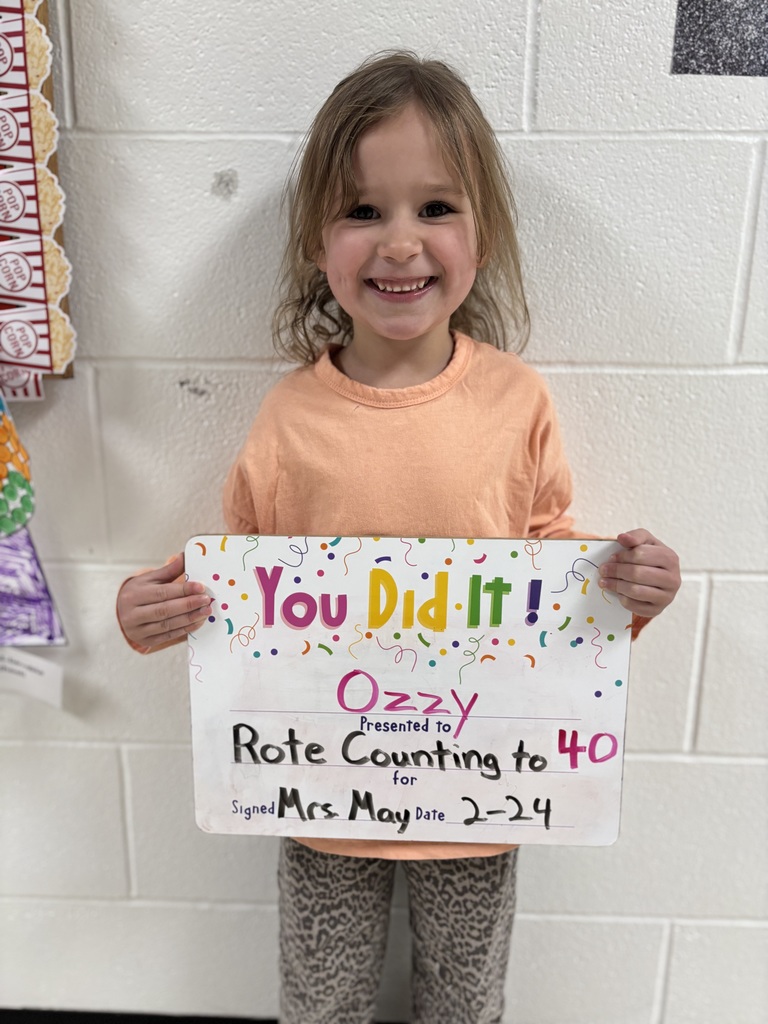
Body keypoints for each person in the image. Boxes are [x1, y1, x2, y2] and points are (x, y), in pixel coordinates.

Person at [117, 51, 681, 1024]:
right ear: (317, 240)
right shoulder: (289, 420)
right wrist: (151, 611)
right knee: (320, 999)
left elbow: (553, 572)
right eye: (363, 210)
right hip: (321, 802)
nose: (400, 245)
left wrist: (626, 589)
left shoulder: (518, 403)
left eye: (436, 208)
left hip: (481, 800)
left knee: (466, 1003)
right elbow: (238, 593)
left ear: (484, 231)